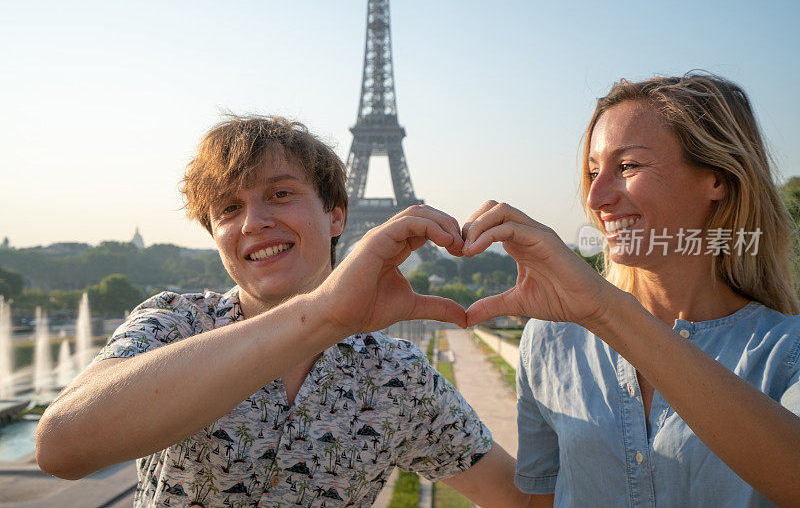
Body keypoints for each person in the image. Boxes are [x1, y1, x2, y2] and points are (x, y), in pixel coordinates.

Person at [35, 116, 529, 507]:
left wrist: (589, 297)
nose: (254, 221)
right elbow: (61, 446)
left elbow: (524, 501)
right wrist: (324, 315)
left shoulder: (398, 376)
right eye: (228, 208)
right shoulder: (173, 322)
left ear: (337, 214)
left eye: (281, 193)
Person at [461, 73, 800, 506]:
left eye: (628, 166)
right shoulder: (549, 340)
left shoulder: (788, 352)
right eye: (592, 171)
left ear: (716, 178)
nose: (597, 197)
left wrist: (605, 311)